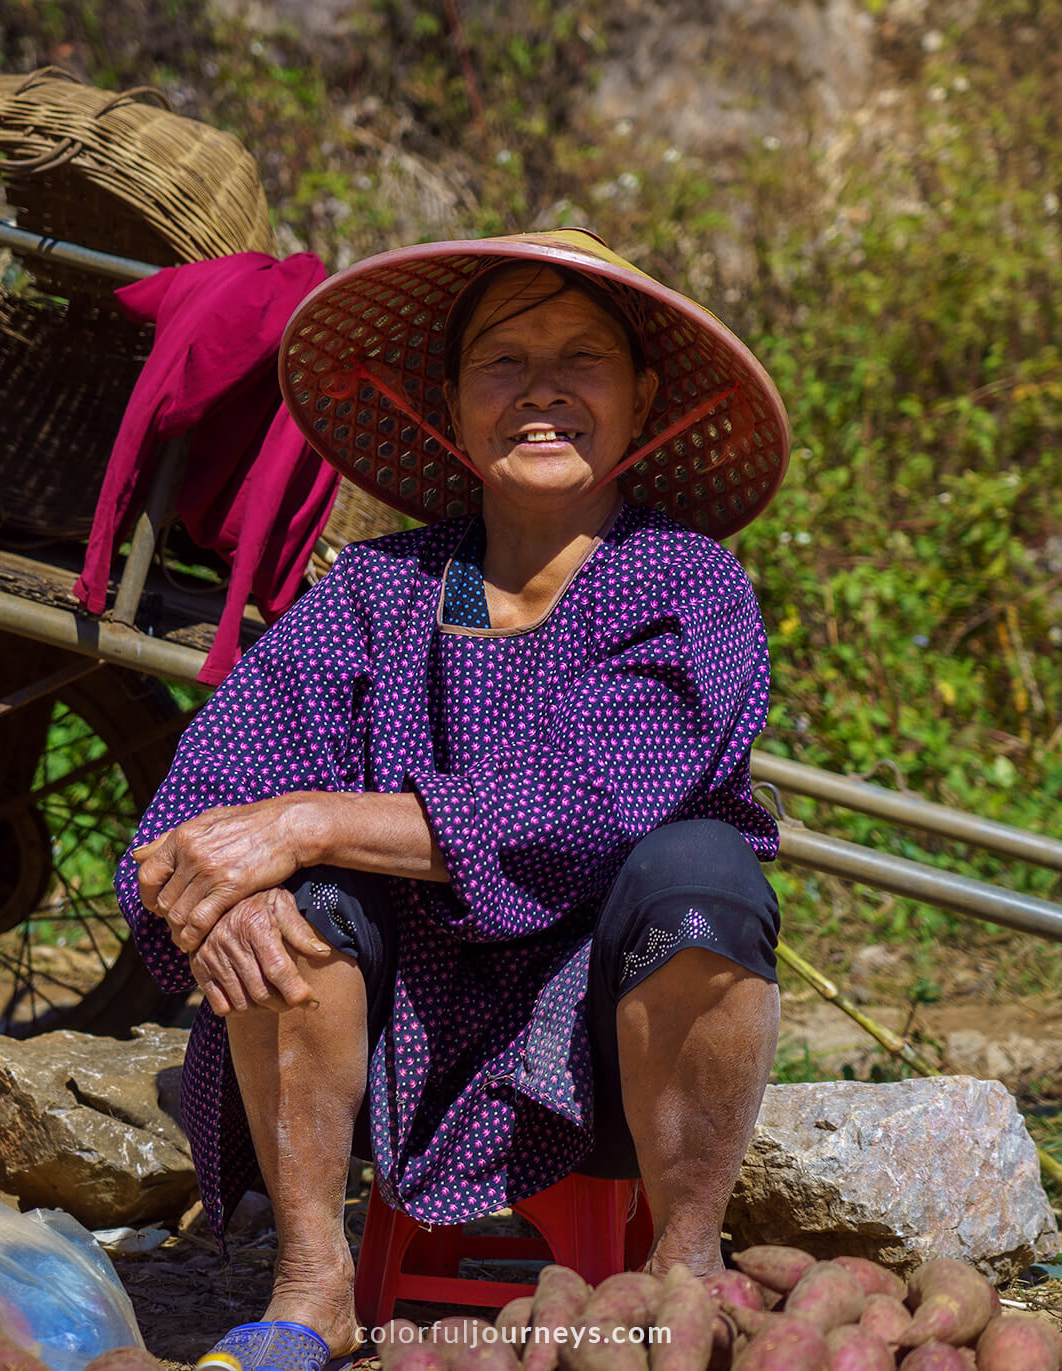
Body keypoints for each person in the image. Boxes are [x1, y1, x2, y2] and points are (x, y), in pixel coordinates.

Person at [117, 229, 792, 1371]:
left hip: (602, 1023)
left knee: (700, 881)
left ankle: (682, 1262)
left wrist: (304, 820)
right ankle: (310, 1283)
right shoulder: (381, 592)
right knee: (276, 909)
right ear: (450, 401)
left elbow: (579, 801)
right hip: (401, 1041)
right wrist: (214, 891)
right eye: (502, 361)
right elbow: (191, 816)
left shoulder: (686, 586)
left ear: (642, 399)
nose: (541, 392)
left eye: (582, 359)